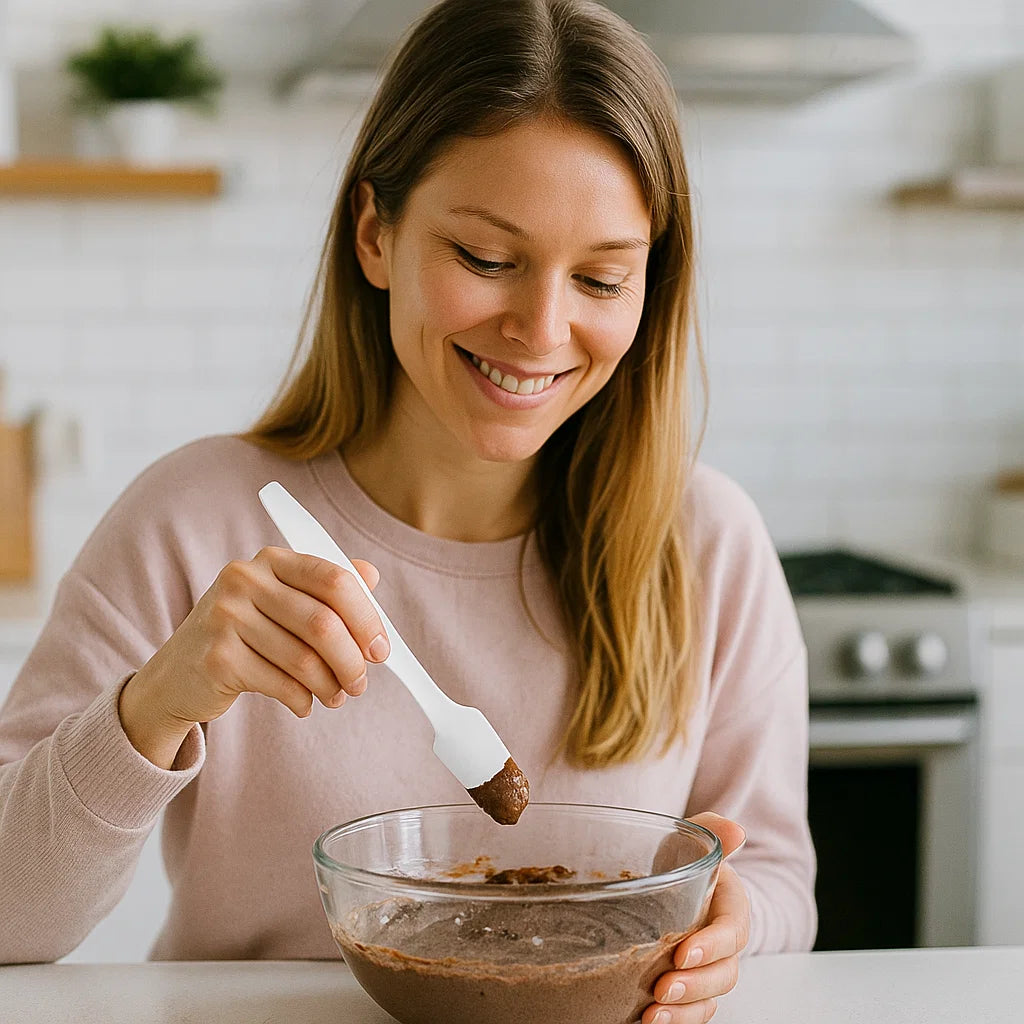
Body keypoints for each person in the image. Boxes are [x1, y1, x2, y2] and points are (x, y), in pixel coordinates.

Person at [0, 0, 815, 1018]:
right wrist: (156, 704)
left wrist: (732, 926)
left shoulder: (707, 544)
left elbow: (774, 876)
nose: (541, 330)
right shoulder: (192, 521)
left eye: (602, 278)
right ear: (375, 234)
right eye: (486, 259)